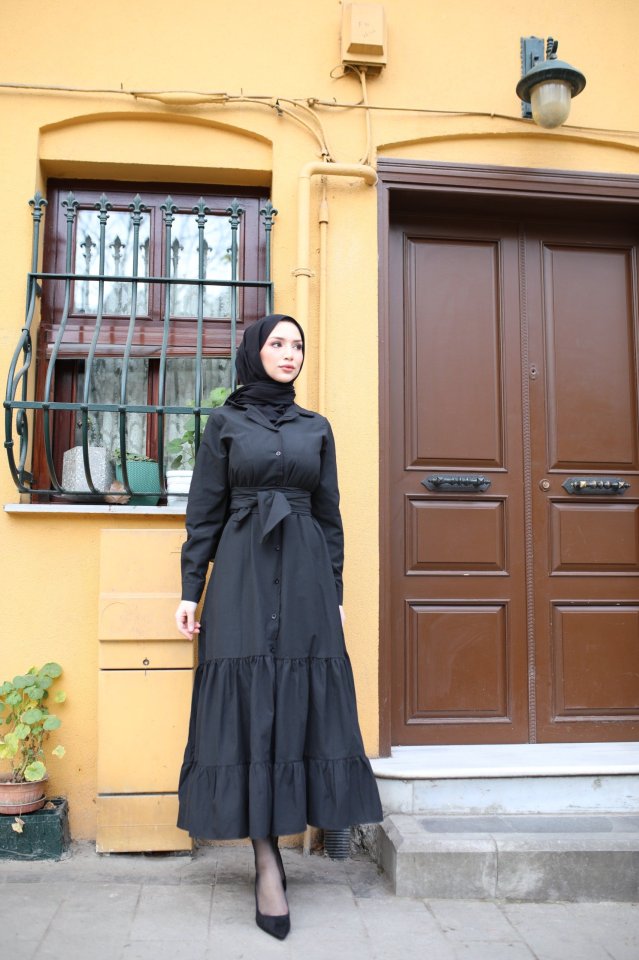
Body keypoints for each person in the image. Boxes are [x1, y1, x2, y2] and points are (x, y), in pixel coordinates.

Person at [174, 313, 383, 940]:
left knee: (294, 704)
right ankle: (266, 861)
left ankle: (280, 843)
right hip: (240, 573)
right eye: (277, 344)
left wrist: (334, 593)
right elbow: (203, 513)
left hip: (305, 578)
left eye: (297, 345)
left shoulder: (315, 427)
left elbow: (330, 516)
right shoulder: (224, 424)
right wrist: (190, 592)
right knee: (249, 707)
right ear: (254, 352)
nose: (289, 354)